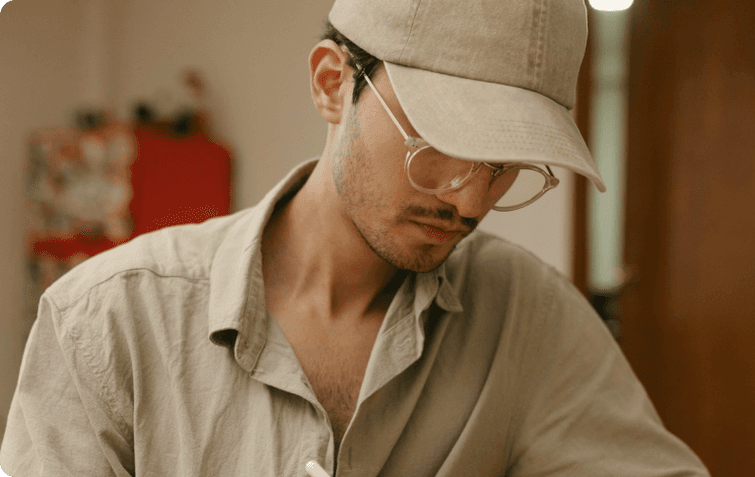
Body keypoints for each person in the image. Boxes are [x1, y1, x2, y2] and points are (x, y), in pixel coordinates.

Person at [0, 0, 711, 475]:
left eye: (505, 167)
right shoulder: (104, 321)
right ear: (333, 83)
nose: (469, 199)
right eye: (439, 142)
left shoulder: (531, 315)